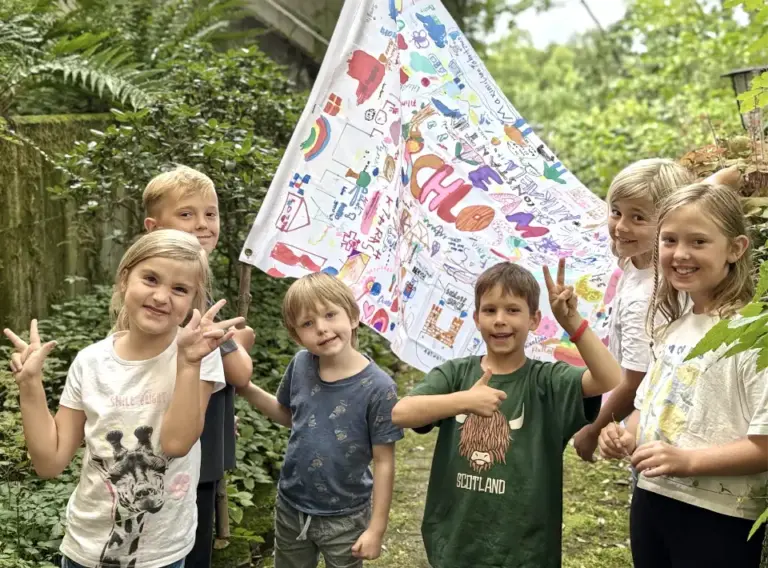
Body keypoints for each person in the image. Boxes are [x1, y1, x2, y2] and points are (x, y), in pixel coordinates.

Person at [3, 230, 244, 568]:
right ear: (123, 280)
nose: (161, 296)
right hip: (85, 548)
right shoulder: (90, 362)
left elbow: (175, 444)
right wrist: (30, 387)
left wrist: (188, 364)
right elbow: (50, 462)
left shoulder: (197, 355)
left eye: (179, 289)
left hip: (161, 555)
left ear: (193, 301)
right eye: (151, 279)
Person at [390, 259, 622, 568]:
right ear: (476, 317)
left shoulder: (547, 381)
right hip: (455, 542)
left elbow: (609, 378)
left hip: (525, 549)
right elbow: (401, 413)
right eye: (490, 310)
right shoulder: (455, 374)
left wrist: (572, 322)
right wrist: (464, 401)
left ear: (534, 319)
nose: (500, 320)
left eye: (513, 310)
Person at [598, 183, 768, 567]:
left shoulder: (754, 336)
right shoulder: (673, 328)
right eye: (670, 240)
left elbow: (765, 444)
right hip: (651, 499)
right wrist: (623, 434)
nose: (680, 254)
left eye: (699, 242)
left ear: (736, 249)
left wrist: (688, 462)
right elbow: (646, 408)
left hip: (718, 516)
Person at [238, 272, 403, 568]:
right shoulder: (301, 364)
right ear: (296, 334)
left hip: (346, 515)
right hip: (291, 506)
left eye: (330, 315)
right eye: (308, 323)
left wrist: (376, 529)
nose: (322, 329)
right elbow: (289, 416)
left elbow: (383, 461)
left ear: (353, 316)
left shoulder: (379, 388)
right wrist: (246, 387)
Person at [142, 165, 255, 567]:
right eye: (187, 214)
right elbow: (240, 372)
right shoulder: (176, 296)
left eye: (211, 214)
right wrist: (239, 343)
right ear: (154, 227)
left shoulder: (174, 286)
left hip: (201, 443)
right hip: (178, 452)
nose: (203, 225)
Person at [573, 159, 693, 462]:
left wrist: (593, 430)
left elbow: (634, 379)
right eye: (616, 212)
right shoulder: (639, 260)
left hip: (660, 429)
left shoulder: (647, 296)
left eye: (638, 217)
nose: (621, 226)